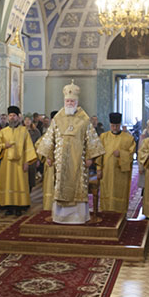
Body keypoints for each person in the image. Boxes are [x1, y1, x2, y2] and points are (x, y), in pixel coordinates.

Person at [36, 82, 105, 224]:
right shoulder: (57, 119)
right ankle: (61, 217)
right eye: (67, 101)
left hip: (78, 161)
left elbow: (91, 140)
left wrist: (90, 158)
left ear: (77, 102)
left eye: (72, 101)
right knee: (60, 186)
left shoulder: (84, 119)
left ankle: (78, 217)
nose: (69, 103)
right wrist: (48, 155)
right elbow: (49, 138)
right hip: (60, 161)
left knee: (78, 187)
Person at [0, 106, 38, 217]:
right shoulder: (3, 132)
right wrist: (4, 145)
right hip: (6, 164)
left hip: (20, 163)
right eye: (10, 115)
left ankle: (19, 206)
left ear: (18, 117)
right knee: (7, 183)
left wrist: (27, 162)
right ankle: (8, 206)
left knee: (19, 184)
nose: (12, 118)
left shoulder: (24, 131)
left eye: (14, 115)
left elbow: (28, 147)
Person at [99, 112, 136, 214]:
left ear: (120, 125)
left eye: (117, 126)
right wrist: (98, 169)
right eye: (112, 126)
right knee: (107, 190)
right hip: (107, 170)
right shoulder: (103, 137)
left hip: (121, 172)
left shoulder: (128, 138)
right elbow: (99, 154)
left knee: (120, 192)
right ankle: (106, 212)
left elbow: (131, 154)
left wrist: (121, 154)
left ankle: (120, 214)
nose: (114, 128)